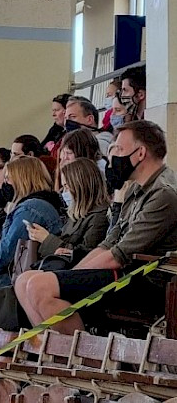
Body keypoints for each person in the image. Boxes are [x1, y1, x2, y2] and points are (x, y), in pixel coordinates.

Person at [16, 120, 177, 335]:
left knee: (40, 287)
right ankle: (50, 347)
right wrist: (71, 275)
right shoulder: (135, 188)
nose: (114, 157)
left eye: (119, 149)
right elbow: (109, 243)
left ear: (140, 153)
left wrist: (70, 277)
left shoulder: (163, 194)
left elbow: (119, 255)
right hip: (123, 271)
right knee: (24, 281)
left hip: (146, 281)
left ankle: (77, 353)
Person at [0, 157, 63, 286]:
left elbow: (6, 253)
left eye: (8, 179)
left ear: (21, 180)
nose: (5, 184)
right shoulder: (41, 203)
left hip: (12, 282)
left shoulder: (30, 209)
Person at [27, 158, 110, 264]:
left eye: (66, 186)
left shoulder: (99, 216)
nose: (64, 192)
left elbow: (83, 255)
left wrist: (46, 239)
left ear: (80, 186)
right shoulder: (75, 212)